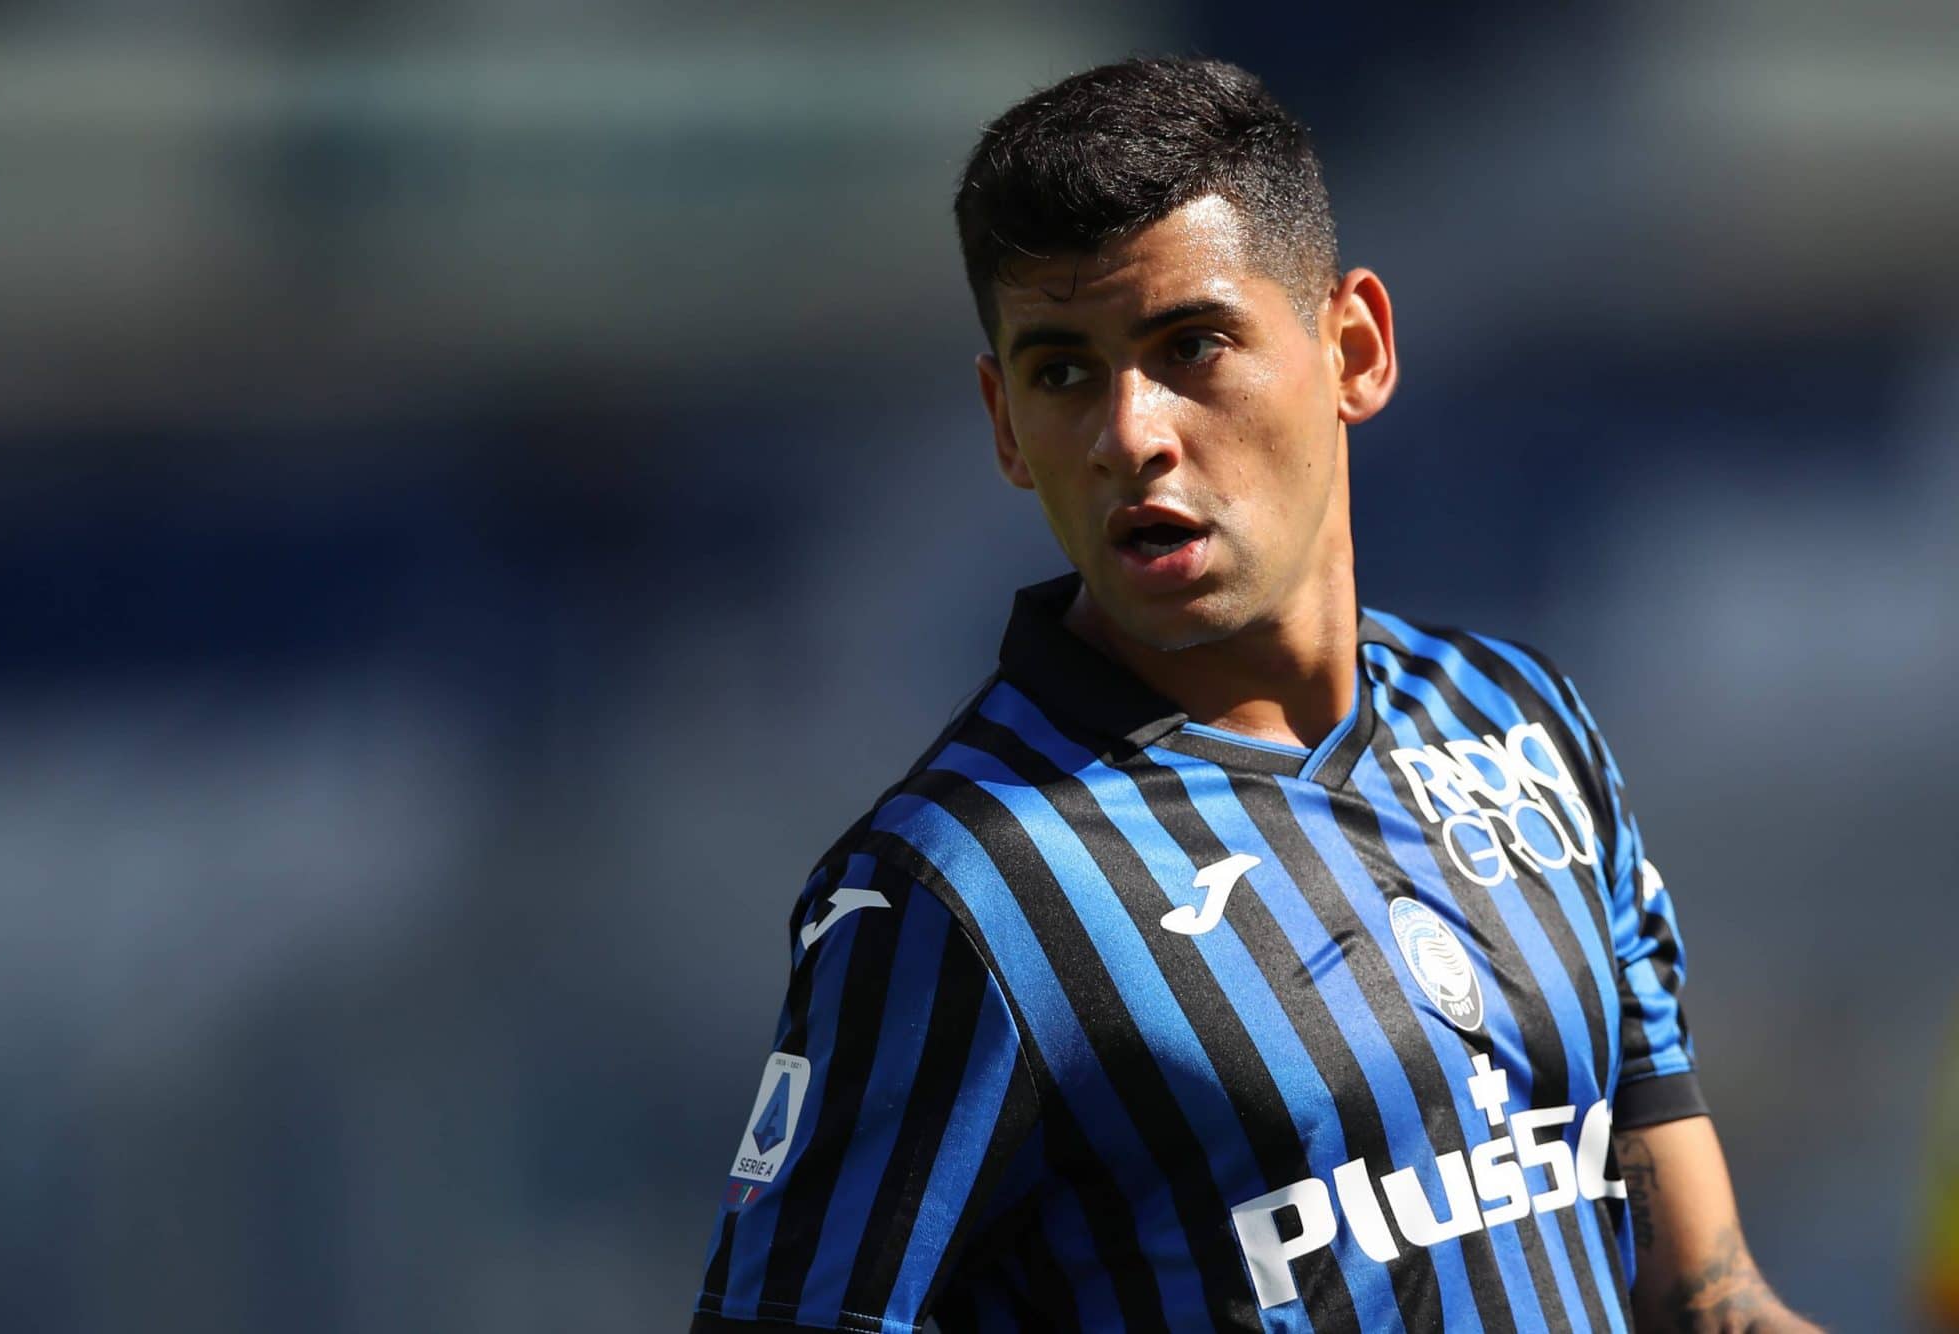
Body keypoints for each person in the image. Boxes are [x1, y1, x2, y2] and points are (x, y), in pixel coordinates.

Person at [690, 56, 1818, 1333]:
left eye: (1190, 346)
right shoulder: (958, 890)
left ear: (1353, 349)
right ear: (1004, 424)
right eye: (1062, 372)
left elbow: (1703, 1295)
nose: (1130, 433)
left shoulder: (1517, 723)